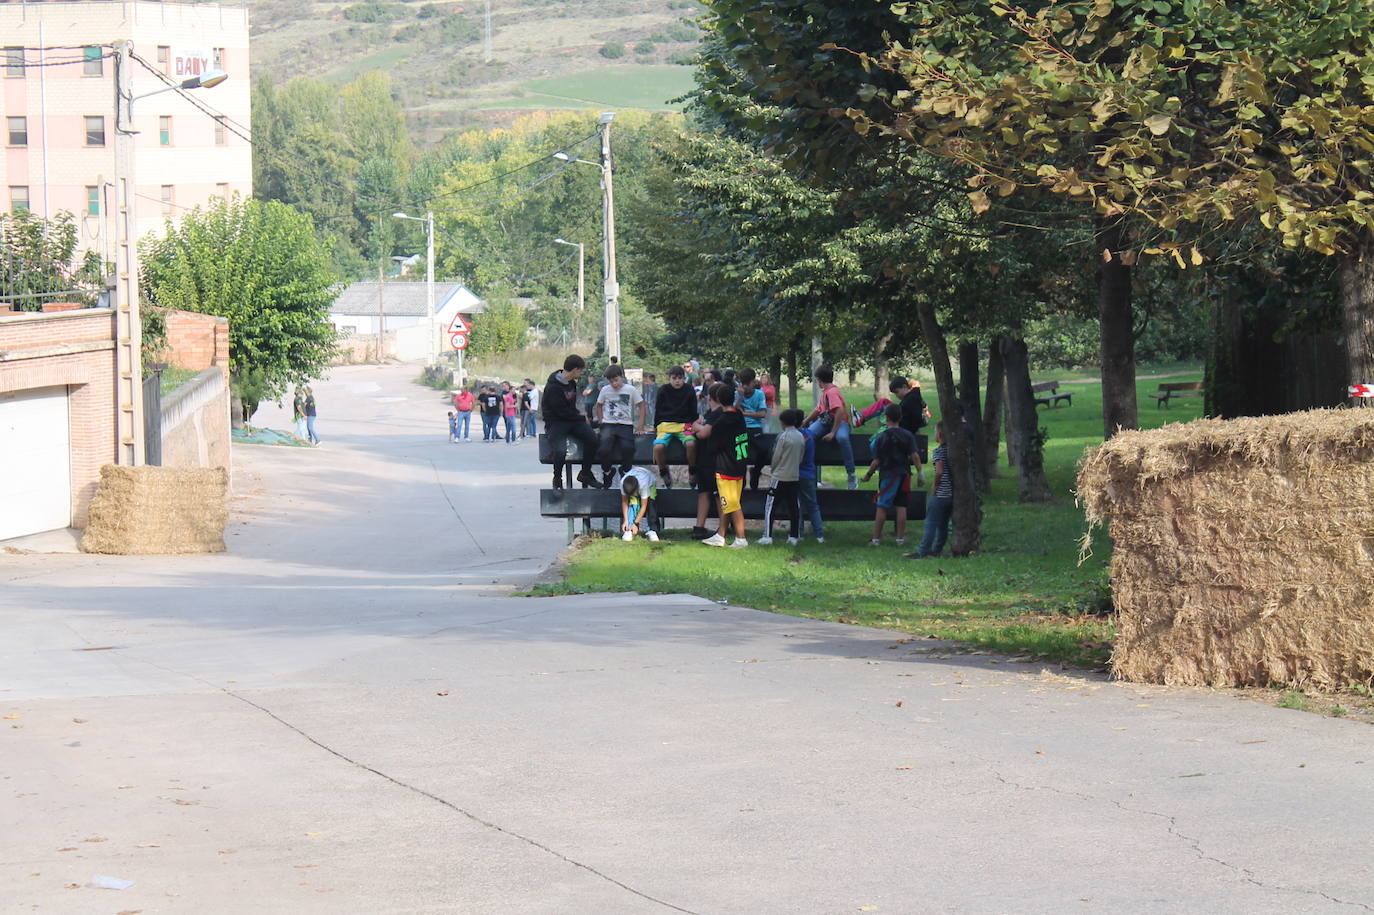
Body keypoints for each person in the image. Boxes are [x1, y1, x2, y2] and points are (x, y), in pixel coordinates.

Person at [862, 404, 924, 547]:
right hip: (904, 474)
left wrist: (868, 475)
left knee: (882, 506)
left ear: (886, 418)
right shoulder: (907, 435)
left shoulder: (881, 437)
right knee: (901, 506)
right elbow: (914, 456)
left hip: (889, 475)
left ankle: (876, 539)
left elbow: (876, 461)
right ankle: (900, 539)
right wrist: (920, 474)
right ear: (900, 417)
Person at [699, 383, 749, 548]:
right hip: (740, 464)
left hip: (726, 468)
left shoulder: (721, 421)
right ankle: (721, 535)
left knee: (732, 504)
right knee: (727, 502)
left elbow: (712, 446)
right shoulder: (739, 415)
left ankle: (741, 538)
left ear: (718, 399)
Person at [542, 355, 601, 489]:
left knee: (592, 439)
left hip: (571, 420)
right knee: (561, 450)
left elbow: (571, 408)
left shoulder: (571, 383)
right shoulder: (553, 387)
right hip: (555, 421)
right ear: (574, 370)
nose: (580, 374)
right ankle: (557, 479)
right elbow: (560, 412)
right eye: (580, 371)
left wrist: (581, 417)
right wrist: (581, 417)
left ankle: (585, 473)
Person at [803, 364, 855, 489]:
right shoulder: (825, 392)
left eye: (816, 380)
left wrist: (833, 432)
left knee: (842, 438)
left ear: (820, 380)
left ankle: (851, 473)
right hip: (825, 421)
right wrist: (806, 421)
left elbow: (839, 411)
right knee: (808, 436)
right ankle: (811, 475)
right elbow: (818, 409)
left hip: (839, 422)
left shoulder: (832, 392)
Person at [758, 407, 804, 546]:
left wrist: (773, 468)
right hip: (794, 476)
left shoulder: (783, 437)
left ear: (782, 422)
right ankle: (794, 536)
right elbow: (801, 456)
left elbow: (776, 456)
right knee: (794, 507)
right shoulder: (800, 436)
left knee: (770, 506)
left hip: (779, 477)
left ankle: (767, 536)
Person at [908, 421, 953, 558]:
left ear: (939, 434)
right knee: (943, 523)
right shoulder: (952, 450)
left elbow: (939, 471)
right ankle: (937, 548)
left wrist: (935, 486)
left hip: (941, 493)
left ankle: (922, 551)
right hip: (952, 494)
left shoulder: (938, 451)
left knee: (931, 523)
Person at [595, 364, 644, 487]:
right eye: (611, 382)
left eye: (616, 380)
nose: (614, 384)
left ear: (622, 377)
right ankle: (607, 472)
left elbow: (641, 405)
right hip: (609, 424)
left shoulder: (630, 389)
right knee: (603, 450)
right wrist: (601, 420)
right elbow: (599, 405)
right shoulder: (605, 390)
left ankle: (625, 470)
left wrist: (640, 425)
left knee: (628, 448)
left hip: (625, 424)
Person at [652, 365, 698, 489]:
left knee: (691, 444)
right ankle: (664, 472)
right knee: (658, 447)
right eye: (674, 378)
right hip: (665, 424)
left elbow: (693, 410)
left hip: (685, 424)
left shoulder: (689, 390)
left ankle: (692, 471)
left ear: (684, 378)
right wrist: (655, 426)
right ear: (669, 378)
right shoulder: (663, 390)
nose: (677, 381)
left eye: (680, 378)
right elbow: (658, 409)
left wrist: (695, 423)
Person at [690, 384, 723, 539]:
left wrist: (696, 426)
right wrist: (698, 426)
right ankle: (699, 526)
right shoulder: (711, 412)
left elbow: (702, 432)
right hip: (705, 459)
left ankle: (722, 527)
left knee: (718, 494)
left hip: (715, 459)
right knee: (704, 491)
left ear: (710, 398)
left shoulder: (718, 414)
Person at [737, 367, 770, 490]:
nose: (745, 387)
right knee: (741, 453)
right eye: (742, 384)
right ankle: (742, 475)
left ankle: (756, 472)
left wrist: (745, 413)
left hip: (755, 428)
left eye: (747, 384)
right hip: (741, 428)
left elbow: (762, 414)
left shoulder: (759, 394)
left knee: (763, 451)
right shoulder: (737, 394)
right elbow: (735, 412)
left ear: (753, 382)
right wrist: (739, 398)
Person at [797, 415, 825, 543]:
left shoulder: (792, 437)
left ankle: (799, 533)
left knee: (798, 504)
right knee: (813, 504)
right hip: (809, 474)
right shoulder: (810, 434)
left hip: (796, 474)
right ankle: (819, 535)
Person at [619, 466, 661, 543]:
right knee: (633, 503)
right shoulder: (622, 483)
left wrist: (636, 523)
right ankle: (629, 529)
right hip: (638, 483)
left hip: (650, 483)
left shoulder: (644, 485)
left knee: (651, 503)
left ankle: (652, 530)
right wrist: (626, 520)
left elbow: (644, 506)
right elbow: (624, 502)